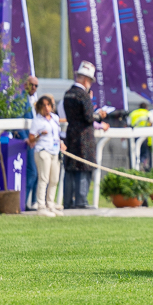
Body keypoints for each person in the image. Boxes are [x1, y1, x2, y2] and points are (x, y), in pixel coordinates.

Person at [63, 61, 101, 209]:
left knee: (70, 167)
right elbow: (89, 117)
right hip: (84, 137)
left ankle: (68, 201)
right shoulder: (83, 95)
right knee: (84, 167)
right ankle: (81, 201)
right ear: (86, 79)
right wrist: (99, 115)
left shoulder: (68, 94)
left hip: (71, 134)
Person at [27, 95, 62, 216]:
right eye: (44, 105)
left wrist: (61, 143)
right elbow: (31, 139)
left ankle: (50, 204)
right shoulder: (37, 121)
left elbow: (57, 135)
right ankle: (41, 206)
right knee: (44, 178)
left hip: (55, 151)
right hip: (42, 150)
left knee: (54, 179)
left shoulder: (55, 118)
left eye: (48, 105)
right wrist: (39, 135)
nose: (46, 108)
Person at [21, 76, 39, 209]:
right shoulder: (20, 99)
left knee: (38, 172)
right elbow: (17, 120)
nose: (33, 87)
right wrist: (25, 138)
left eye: (36, 85)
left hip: (38, 141)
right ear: (26, 84)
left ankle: (34, 202)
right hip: (28, 142)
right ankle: (24, 202)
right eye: (31, 85)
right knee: (32, 171)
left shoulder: (37, 101)